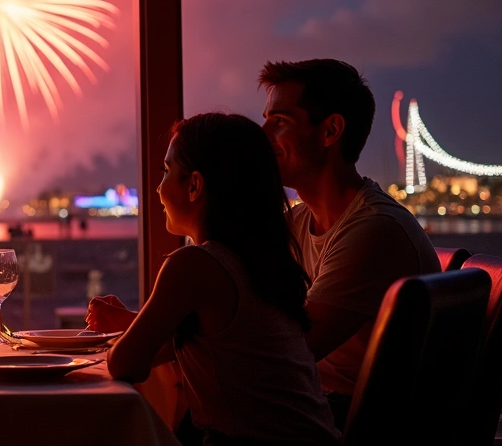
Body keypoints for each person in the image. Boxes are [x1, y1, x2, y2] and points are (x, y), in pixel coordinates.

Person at [102, 114, 339, 445]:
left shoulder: (195, 264)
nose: (158, 189)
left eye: (167, 172)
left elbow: (124, 364)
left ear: (195, 185)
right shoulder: (262, 262)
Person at [258, 59, 438, 427]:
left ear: (330, 131)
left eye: (279, 122)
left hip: (348, 421)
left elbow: (288, 351)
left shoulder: (374, 231)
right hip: (318, 402)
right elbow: (245, 300)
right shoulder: (301, 220)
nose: (262, 134)